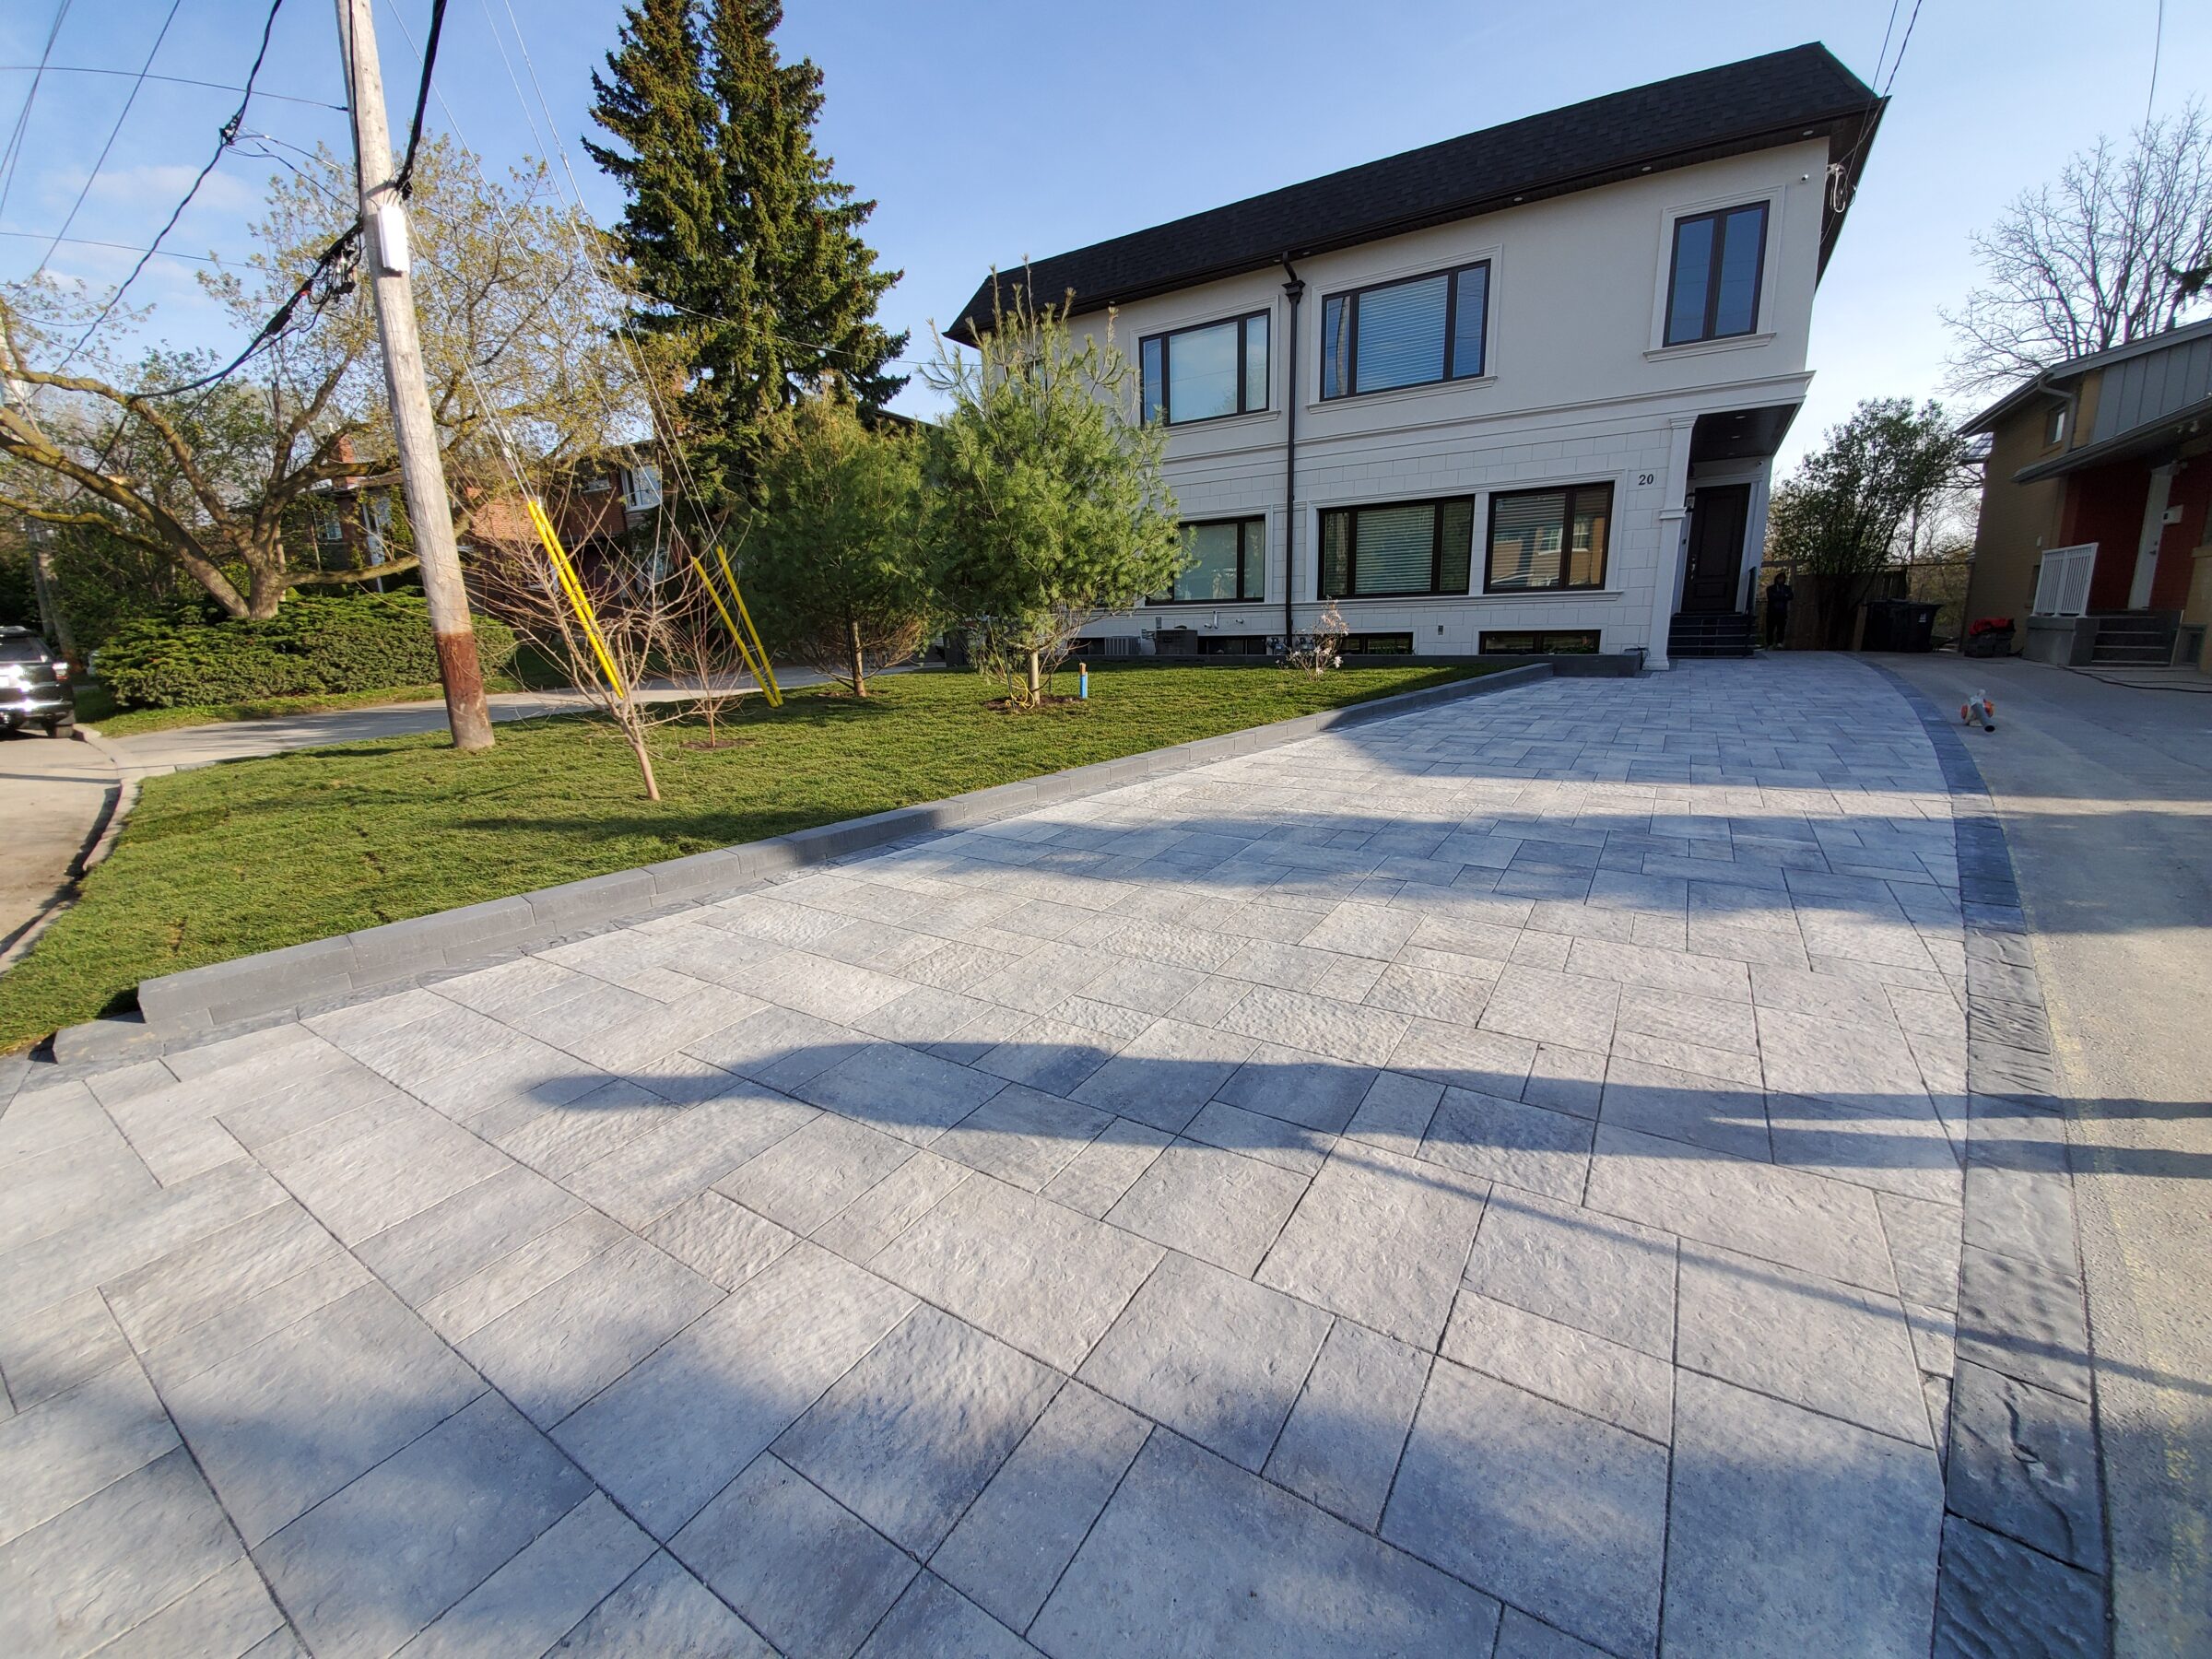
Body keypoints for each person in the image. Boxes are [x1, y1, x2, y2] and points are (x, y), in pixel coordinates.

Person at [1764, 574, 1794, 649]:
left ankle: (1779, 643)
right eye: (1779, 578)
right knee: (1770, 628)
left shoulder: (1787, 588)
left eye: (1782, 578)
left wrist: (1779, 596)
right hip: (1772, 612)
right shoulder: (1771, 588)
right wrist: (1783, 596)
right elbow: (1771, 597)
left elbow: (1791, 596)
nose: (1781, 580)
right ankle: (1769, 643)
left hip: (1782, 612)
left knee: (1781, 628)